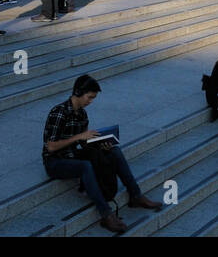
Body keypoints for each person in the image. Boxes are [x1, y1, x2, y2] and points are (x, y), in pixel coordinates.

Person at [42, 74, 163, 233]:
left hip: (73, 154)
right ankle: (106, 215)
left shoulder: (82, 114)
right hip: (55, 161)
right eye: (89, 97)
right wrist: (79, 136)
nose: (90, 101)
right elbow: (50, 147)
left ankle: (135, 195)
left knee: (114, 151)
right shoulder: (58, 112)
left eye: (93, 98)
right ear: (78, 92)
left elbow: (83, 143)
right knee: (85, 166)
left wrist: (101, 145)